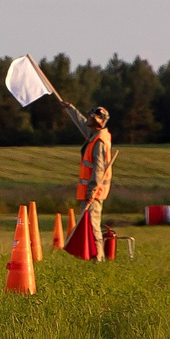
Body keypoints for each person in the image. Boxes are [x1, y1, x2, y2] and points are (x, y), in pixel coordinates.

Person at [53, 99, 114, 254]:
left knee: (93, 226)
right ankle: (93, 256)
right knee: (89, 224)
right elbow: (81, 123)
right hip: (90, 191)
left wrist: (92, 190)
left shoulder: (99, 142)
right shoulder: (95, 135)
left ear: (97, 121)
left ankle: (98, 258)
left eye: (91, 117)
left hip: (93, 192)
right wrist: (70, 108)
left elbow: (98, 169)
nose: (87, 118)